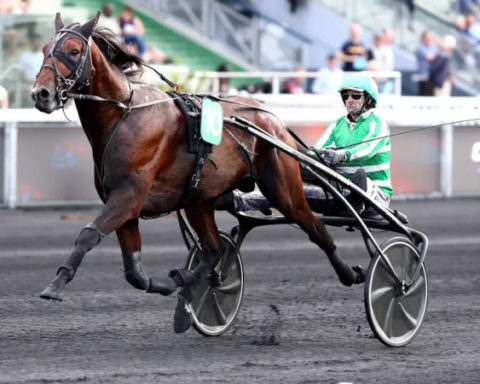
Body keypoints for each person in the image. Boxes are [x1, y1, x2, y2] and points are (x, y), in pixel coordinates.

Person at [218, 73, 394, 217]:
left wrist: (341, 155)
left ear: (369, 99)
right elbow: (315, 153)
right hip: (339, 190)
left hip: (376, 196)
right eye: (345, 95)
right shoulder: (337, 124)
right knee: (287, 187)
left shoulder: (377, 124)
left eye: (355, 95)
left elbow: (367, 150)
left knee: (362, 180)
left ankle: (358, 200)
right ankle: (237, 200)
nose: (349, 99)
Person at [415, 31, 437, 96]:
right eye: (428, 38)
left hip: (431, 76)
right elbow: (430, 57)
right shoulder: (420, 47)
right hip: (423, 76)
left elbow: (436, 55)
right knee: (424, 94)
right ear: (423, 38)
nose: (430, 39)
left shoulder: (431, 47)